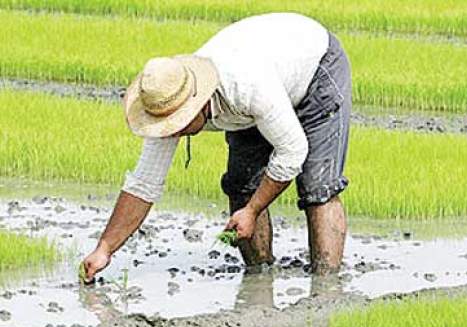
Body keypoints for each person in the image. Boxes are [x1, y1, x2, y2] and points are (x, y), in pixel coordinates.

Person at [81, 12, 351, 282]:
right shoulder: (166, 99)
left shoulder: (246, 87)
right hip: (265, 81)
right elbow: (144, 184)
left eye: (181, 122)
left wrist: (254, 210)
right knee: (241, 185)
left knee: (318, 186)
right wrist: (105, 249)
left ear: (198, 102)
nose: (174, 132)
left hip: (315, 66)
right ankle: (259, 280)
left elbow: (293, 152)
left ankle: (326, 289)